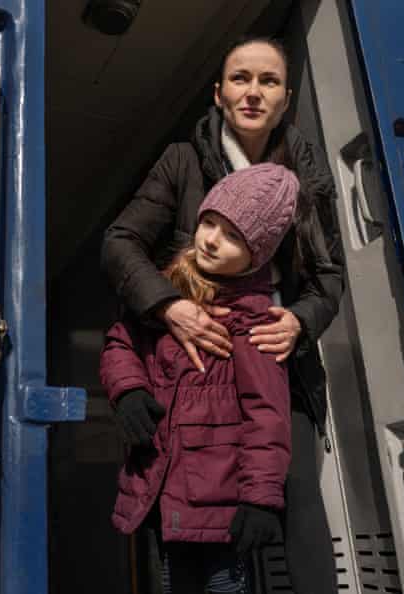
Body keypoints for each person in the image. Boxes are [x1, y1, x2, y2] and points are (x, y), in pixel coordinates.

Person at [101, 37, 344, 594]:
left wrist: (302, 320)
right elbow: (120, 242)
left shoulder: (310, 181)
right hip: (193, 361)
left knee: (296, 507)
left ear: (286, 99)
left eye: (268, 81)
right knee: (182, 511)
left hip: (274, 361)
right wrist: (170, 305)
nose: (253, 92)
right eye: (240, 78)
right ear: (219, 92)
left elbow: (329, 277)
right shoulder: (182, 162)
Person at [100, 164, 298, 593]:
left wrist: (260, 497)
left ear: (256, 254)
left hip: (222, 508)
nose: (210, 239)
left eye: (232, 236)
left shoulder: (254, 323)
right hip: (162, 491)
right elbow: (121, 341)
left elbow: (268, 416)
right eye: (209, 222)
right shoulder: (165, 291)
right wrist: (129, 389)